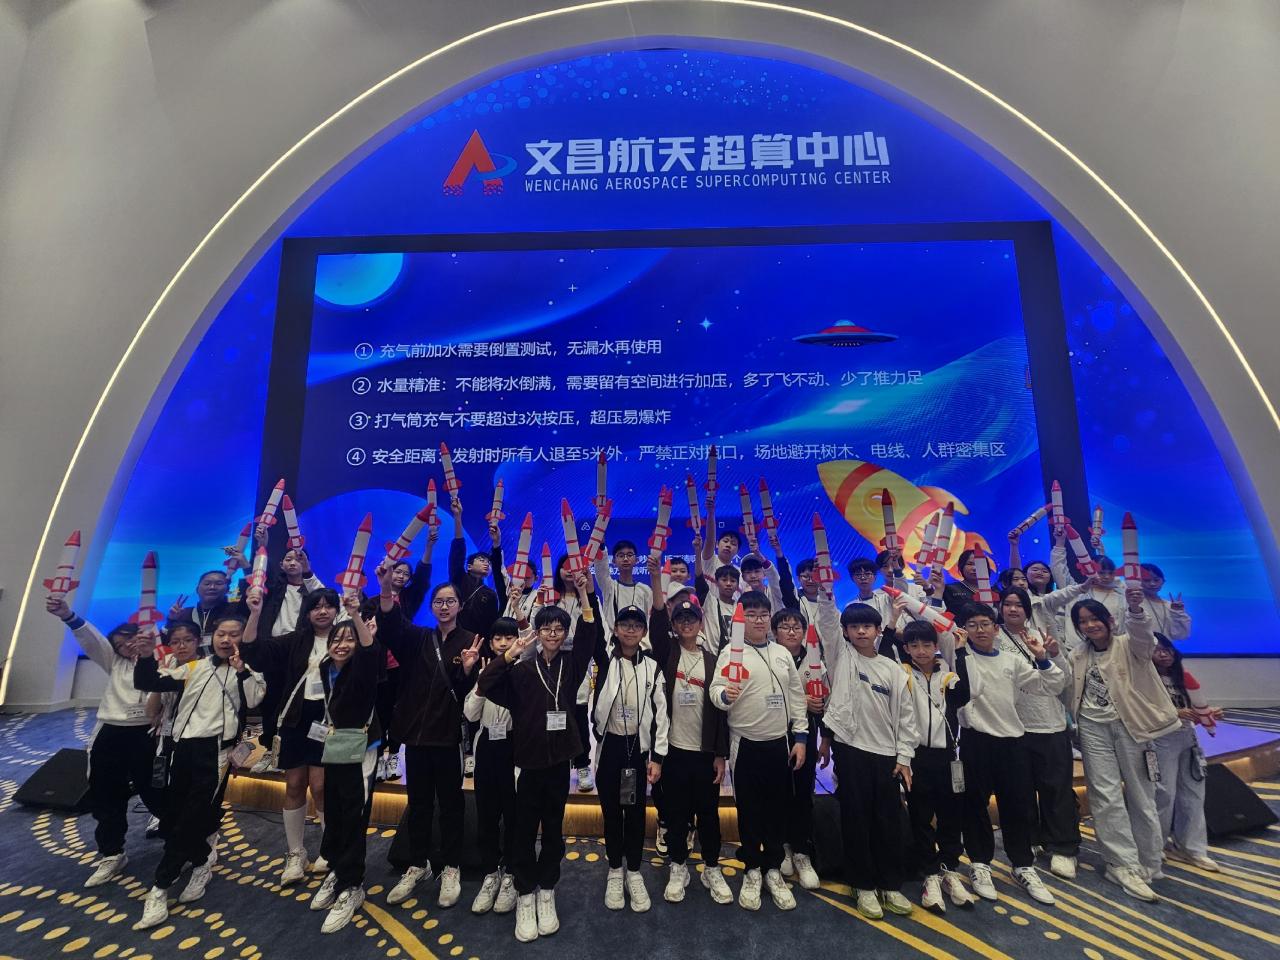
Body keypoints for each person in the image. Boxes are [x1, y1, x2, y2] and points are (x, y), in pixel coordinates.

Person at [477, 571, 598, 942]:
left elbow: (590, 634)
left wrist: (584, 594)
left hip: (559, 761)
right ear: (538, 632)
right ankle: (525, 893)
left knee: (554, 830)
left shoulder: (571, 665)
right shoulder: (522, 670)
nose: (552, 634)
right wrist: (508, 654)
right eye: (546, 628)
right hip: (527, 762)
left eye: (558, 629)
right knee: (524, 830)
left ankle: (547, 889)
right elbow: (485, 684)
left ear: (564, 633)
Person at [132, 615, 265, 928]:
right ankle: (203, 859)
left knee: (192, 816)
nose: (226, 639)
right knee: (174, 816)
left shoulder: (249, 672)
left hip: (216, 752)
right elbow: (150, 682)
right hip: (183, 749)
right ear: (212, 637)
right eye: (221, 633)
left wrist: (242, 670)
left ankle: (160, 886)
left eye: (234, 634)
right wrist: (148, 655)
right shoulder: (194, 667)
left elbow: (254, 700)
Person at [1067, 589, 1182, 902]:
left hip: (1131, 726)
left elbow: (1144, 636)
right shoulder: (1078, 654)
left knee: (1141, 793)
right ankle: (1121, 864)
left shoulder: (1130, 644)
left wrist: (1136, 609)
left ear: (1108, 620)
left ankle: (1149, 859)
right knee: (1105, 796)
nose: (1090, 625)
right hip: (1092, 728)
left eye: (1094, 618)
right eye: (1083, 621)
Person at [45, 595, 166, 887]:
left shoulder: (163, 661)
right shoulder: (115, 662)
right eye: (120, 644)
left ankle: (182, 844)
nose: (127, 646)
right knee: (106, 794)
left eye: (130, 638)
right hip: (110, 733)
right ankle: (112, 853)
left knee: (157, 793)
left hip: (148, 735)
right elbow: (92, 639)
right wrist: (68, 615)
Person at [375, 577, 481, 908]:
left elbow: (472, 696)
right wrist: (385, 589)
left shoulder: (471, 641)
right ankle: (418, 864)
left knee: (451, 805)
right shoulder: (419, 637)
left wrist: (468, 670)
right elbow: (390, 625)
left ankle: (451, 867)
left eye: (450, 601)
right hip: (416, 736)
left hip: (448, 737)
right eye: (439, 601)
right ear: (432, 607)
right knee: (418, 804)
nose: (444, 606)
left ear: (460, 606)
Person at [956, 602, 1063, 906]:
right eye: (972, 625)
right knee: (974, 805)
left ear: (996, 628)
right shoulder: (958, 658)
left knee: (1017, 806)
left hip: (1012, 741)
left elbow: (1050, 685)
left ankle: (1023, 865)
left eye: (985, 624)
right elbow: (970, 690)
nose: (979, 630)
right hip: (975, 740)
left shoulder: (1012, 661)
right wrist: (961, 652)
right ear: (965, 630)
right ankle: (980, 863)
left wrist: (1041, 657)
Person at [817, 600, 917, 920]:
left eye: (867, 626)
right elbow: (827, 621)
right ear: (846, 632)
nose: (861, 631)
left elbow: (906, 716)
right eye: (854, 627)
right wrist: (825, 589)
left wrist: (904, 755)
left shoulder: (892, 669)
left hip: (886, 754)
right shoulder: (841, 656)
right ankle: (861, 884)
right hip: (851, 749)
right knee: (856, 820)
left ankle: (890, 884)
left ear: (877, 631)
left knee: (888, 821)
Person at [709, 589, 807, 913]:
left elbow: (796, 696)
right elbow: (715, 691)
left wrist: (801, 737)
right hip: (745, 745)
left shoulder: (782, 653)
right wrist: (725, 696)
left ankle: (773, 869)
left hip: (779, 743)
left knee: (777, 809)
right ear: (740, 620)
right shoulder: (730, 652)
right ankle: (752, 869)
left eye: (763, 614)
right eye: (751, 615)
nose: (759, 620)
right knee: (749, 811)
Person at [241, 588, 344, 884]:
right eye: (316, 607)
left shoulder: (344, 639)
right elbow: (254, 653)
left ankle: (330, 849)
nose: (322, 611)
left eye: (328, 606)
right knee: (295, 784)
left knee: (321, 786)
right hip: (296, 718)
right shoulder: (294, 640)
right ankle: (295, 853)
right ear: (307, 612)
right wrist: (255, 613)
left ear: (336, 610)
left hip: (329, 721)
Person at [644, 565, 732, 905]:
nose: (686, 624)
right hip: (675, 751)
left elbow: (721, 713)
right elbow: (656, 620)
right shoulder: (666, 653)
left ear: (700, 623)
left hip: (705, 753)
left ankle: (711, 867)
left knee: (709, 815)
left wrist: (720, 754)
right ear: (674, 624)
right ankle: (678, 866)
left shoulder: (713, 660)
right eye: (680, 619)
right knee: (677, 815)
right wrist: (656, 579)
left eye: (691, 619)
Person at [308, 596, 393, 934]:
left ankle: (352, 886)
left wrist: (356, 615)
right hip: (335, 745)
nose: (342, 645)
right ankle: (337, 870)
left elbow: (371, 652)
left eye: (349, 640)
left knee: (355, 814)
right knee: (336, 810)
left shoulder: (364, 667)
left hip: (362, 748)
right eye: (336, 640)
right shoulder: (324, 668)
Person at [996, 586, 1081, 879]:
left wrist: (1053, 654)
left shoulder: (1041, 635)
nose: (1013, 609)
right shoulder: (992, 637)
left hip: (1049, 723)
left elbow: (1065, 679)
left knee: (1056, 788)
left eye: (1019, 604)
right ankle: (1030, 838)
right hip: (1012, 726)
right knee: (1020, 790)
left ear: (1027, 610)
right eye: (1007, 603)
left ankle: (1063, 847)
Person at [591, 603, 668, 912]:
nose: (631, 629)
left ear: (644, 631)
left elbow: (662, 715)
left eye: (637, 625)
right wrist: (585, 592)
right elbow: (591, 627)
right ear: (615, 629)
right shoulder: (604, 661)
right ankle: (614, 869)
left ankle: (634, 871)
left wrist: (657, 757)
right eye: (625, 624)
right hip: (610, 748)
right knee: (611, 813)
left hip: (637, 751)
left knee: (634, 814)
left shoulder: (652, 666)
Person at [897, 614, 976, 912]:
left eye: (927, 645)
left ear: (936, 646)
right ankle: (929, 874)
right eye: (914, 645)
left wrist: (961, 652)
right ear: (906, 648)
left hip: (948, 756)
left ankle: (949, 869)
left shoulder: (948, 676)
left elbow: (966, 694)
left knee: (950, 815)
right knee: (920, 816)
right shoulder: (901, 674)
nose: (921, 651)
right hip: (916, 756)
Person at [463, 617, 522, 915]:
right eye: (498, 638)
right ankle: (490, 873)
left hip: (515, 747)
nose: (503, 643)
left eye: (509, 637)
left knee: (514, 815)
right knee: (486, 814)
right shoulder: (483, 671)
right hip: (487, 746)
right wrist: (482, 682)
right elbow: (470, 714)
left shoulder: (525, 670)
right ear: (490, 642)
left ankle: (510, 873)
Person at [1152, 635, 1222, 871]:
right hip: (1160, 739)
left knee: (1193, 794)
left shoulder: (1182, 677)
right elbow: (1140, 711)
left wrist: (1208, 714)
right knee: (1163, 794)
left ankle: (1192, 848)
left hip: (1188, 738)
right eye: (1158, 650)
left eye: (1167, 649)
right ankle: (1156, 845)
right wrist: (1175, 714)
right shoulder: (1144, 679)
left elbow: (1195, 708)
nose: (1164, 654)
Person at [770, 607, 824, 891]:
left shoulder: (815, 660)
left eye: (796, 627)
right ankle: (782, 846)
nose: (791, 632)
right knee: (779, 791)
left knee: (803, 792)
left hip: (807, 733)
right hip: (774, 732)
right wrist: (803, 700)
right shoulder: (769, 658)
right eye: (785, 626)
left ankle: (801, 850)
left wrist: (826, 739)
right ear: (774, 631)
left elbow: (824, 701)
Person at [447, 497, 501, 638]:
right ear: (469, 566)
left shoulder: (491, 594)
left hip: (478, 643)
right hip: (454, 637)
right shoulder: (458, 578)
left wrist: (496, 543)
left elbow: (492, 624)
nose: (486, 564)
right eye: (482, 560)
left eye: (489, 563)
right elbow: (458, 552)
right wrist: (457, 516)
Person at [166, 570, 247, 651]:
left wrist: (246, 569)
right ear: (197, 589)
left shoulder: (236, 610)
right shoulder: (184, 614)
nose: (212, 587)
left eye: (218, 583)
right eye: (207, 583)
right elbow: (166, 642)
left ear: (227, 589)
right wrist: (171, 620)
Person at [593, 539, 653, 634]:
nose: (625, 559)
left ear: (636, 560)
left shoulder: (645, 590)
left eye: (629, 555)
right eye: (621, 555)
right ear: (613, 561)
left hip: (638, 639)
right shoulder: (609, 586)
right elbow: (601, 568)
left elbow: (649, 619)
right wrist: (601, 545)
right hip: (612, 640)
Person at [1139, 565, 1192, 641]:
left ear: (1163, 582)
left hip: (1165, 648)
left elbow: (1181, 635)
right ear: (1138, 581)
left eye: (1156, 580)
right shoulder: (1133, 604)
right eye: (1146, 580)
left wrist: (1178, 613)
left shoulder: (1171, 606)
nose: (1152, 583)